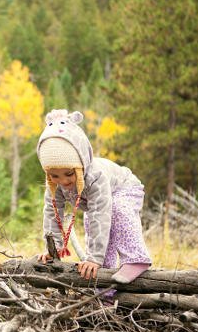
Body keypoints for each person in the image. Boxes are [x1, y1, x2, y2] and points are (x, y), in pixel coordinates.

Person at [36, 109, 151, 284]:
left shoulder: (95, 177)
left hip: (125, 187)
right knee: (93, 224)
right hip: (98, 203)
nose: (63, 181)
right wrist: (53, 249)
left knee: (114, 210)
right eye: (55, 176)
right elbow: (53, 214)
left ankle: (136, 259)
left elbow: (101, 214)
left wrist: (93, 258)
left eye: (68, 174)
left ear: (80, 165)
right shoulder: (55, 185)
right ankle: (104, 280)